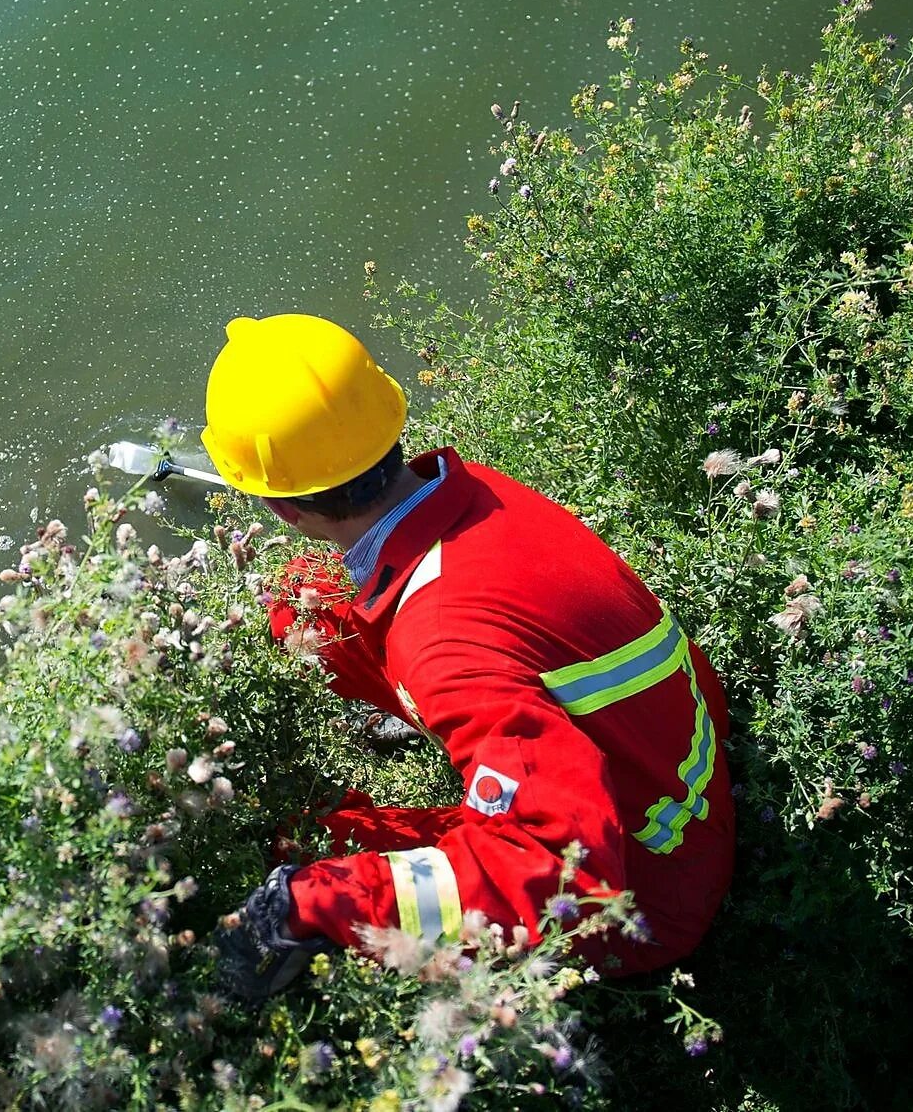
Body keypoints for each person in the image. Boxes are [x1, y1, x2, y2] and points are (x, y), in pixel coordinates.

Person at [202, 313, 734, 1002]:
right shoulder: (474, 491)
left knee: (306, 852)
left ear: (281, 508)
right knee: (298, 600)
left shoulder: (445, 637)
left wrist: (314, 904)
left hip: (641, 895)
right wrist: (275, 622)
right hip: (665, 786)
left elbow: (553, 867)